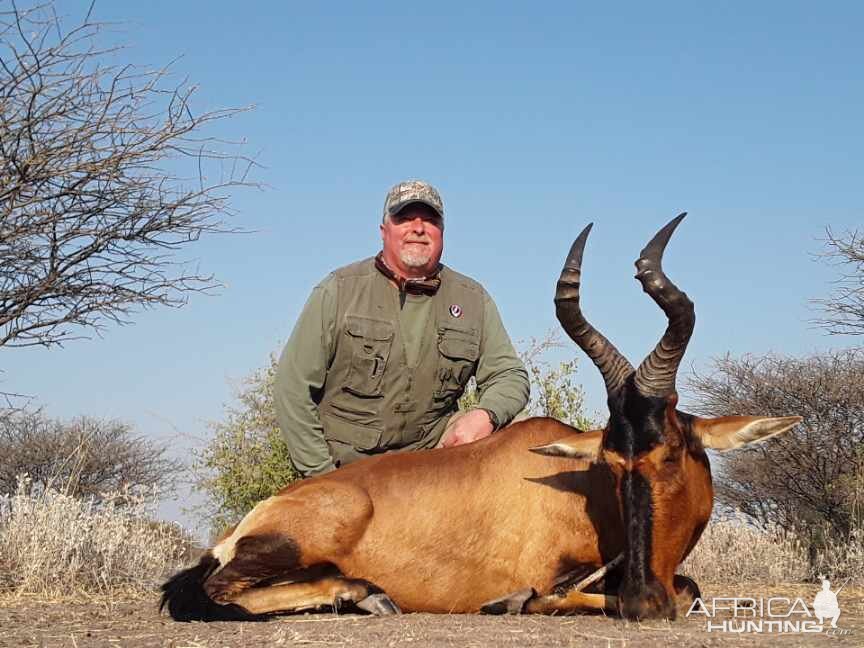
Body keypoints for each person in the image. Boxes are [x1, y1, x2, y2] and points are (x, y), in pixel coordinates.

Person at [274, 180, 530, 477]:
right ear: (384, 230)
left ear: (442, 232)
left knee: (518, 433)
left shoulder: (472, 299)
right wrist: (323, 478)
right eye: (405, 218)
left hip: (430, 467)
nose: (418, 228)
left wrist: (485, 415)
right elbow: (292, 388)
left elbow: (509, 375)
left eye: (430, 220)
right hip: (347, 471)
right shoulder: (338, 290)